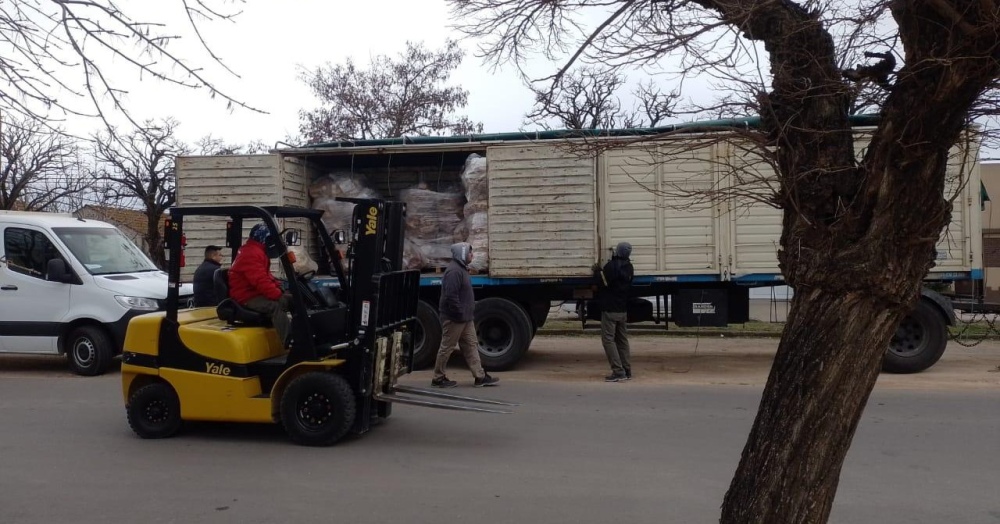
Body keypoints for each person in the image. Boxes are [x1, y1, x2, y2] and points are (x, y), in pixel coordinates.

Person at [431, 242, 499, 388]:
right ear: (461, 254)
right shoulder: (454, 272)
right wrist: (460, 313)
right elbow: (451, 296)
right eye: (469, 253)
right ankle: (438, 378)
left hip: (465, 318)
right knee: (447, 347)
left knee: (471, 345)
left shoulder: (461, 269)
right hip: (454, 318)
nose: (472, 255)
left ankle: (480, 376)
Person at [227, 224, 292, 347]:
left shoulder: (257, 251)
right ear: (263, 238)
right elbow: (260, 280)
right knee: (275, 306)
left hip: (254, 292)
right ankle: (289, 342)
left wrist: (280, 287)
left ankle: (302, 334)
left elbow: (266, 276)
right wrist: (277, 294)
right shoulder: (251, 253)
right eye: (271, 239)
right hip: (247, 296)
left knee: (294, 300)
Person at [596, 242, 634, 382]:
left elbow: (602, 282)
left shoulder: (611, 266)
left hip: (610, 309)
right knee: (622, 340)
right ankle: (627, 369)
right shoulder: (629, 267)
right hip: (622, 310)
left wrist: (597, 271)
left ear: (617, 251)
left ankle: (618, 372)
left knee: (608, 340)